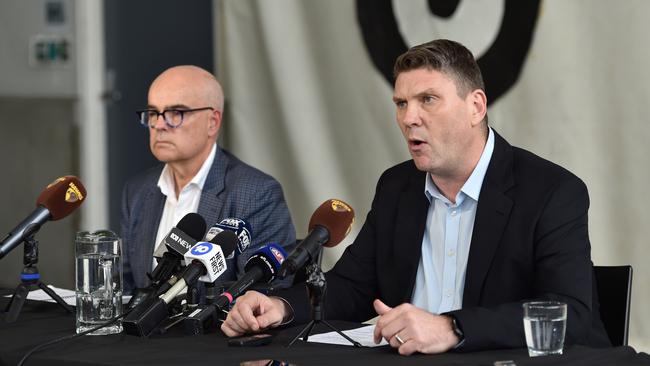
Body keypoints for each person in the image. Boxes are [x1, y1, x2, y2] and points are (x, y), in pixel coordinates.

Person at [220, 39, 611, 354]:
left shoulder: (551, 191)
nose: (409, 118)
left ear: (475, 106)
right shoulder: (397, 187)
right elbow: (352, 287)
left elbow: (569, 314)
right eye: (401, 103)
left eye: (428, 100)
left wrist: (451, 328)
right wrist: (281, 306)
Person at [121, 65, 296, 294]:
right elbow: (124, 285)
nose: (159, 125)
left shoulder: (256, 193)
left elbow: (263, 294)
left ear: (212, 122)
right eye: (154, 113)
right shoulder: (137, 190)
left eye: (176, 113)